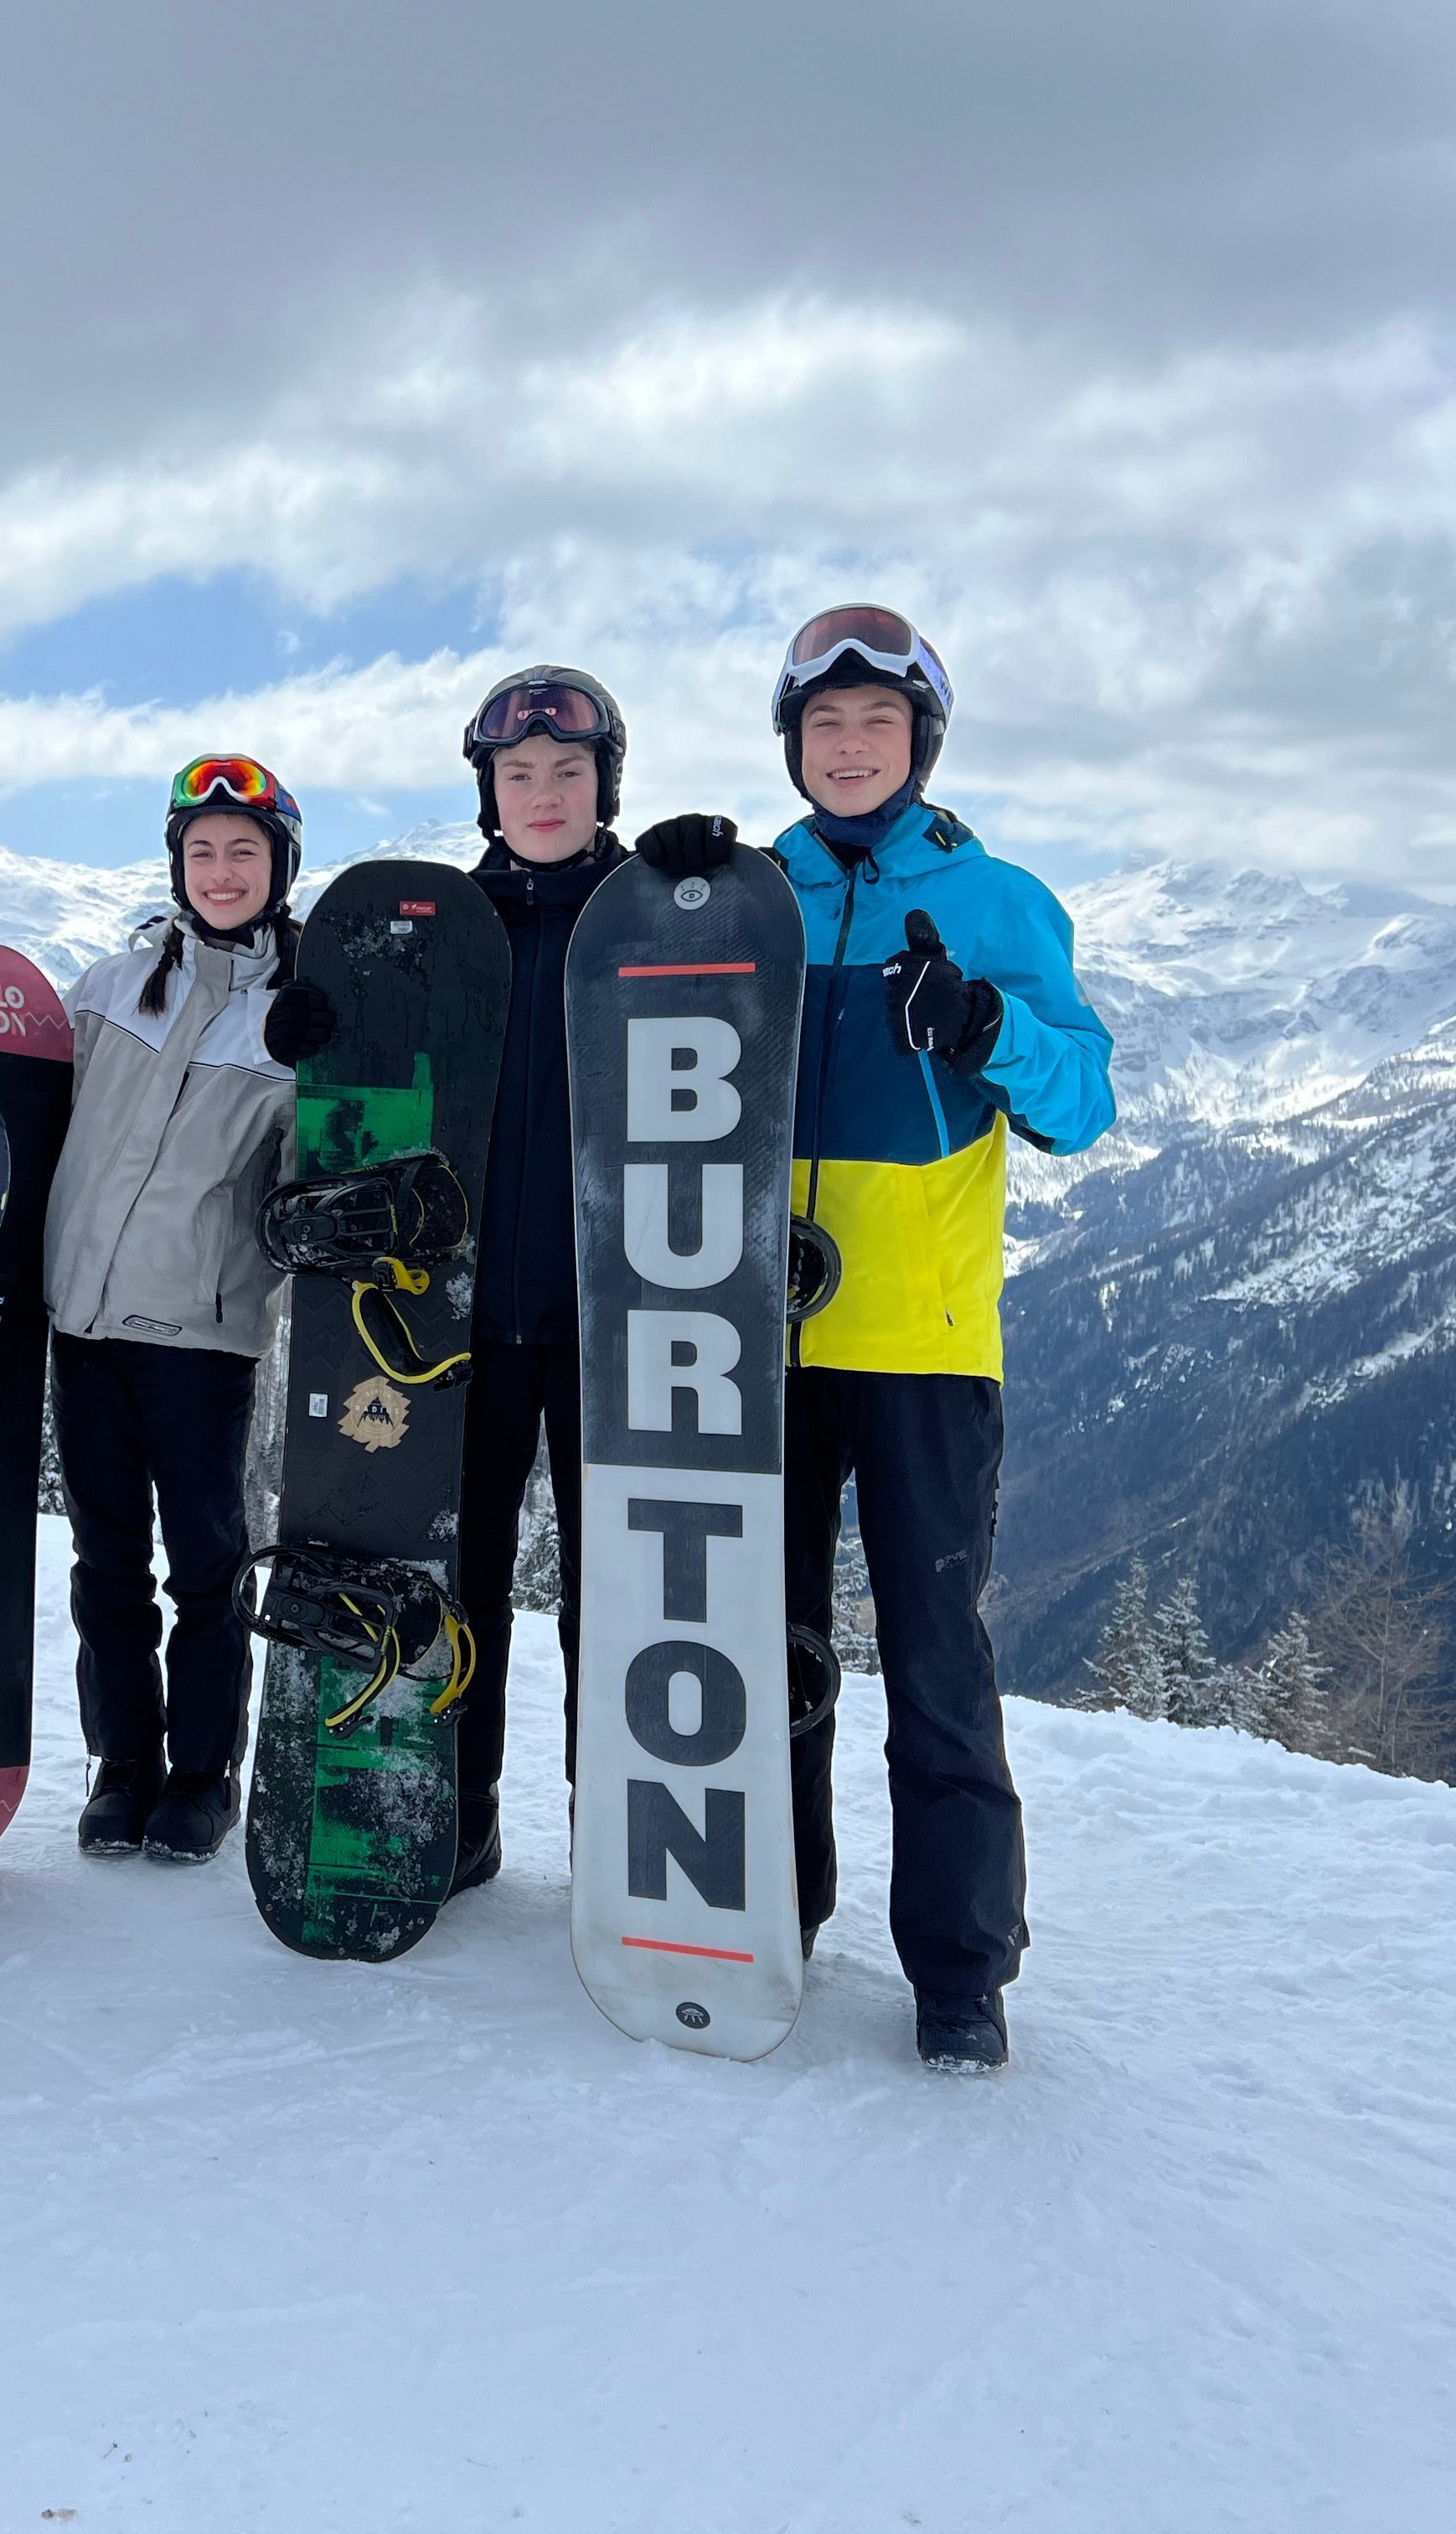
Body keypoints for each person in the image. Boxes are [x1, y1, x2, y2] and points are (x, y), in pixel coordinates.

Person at [634, 607, 1113, 2070]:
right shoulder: (752, 892)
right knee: (753, 1651)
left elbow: (1082, 1105)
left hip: (920, 1344)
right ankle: (768, 1912)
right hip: (748, 1340)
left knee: (932, 1659)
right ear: (793, 746)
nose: (850, 750)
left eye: (878, 728)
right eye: (825, 727)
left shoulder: (996, 901)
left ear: (920, 745)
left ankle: (961, 1971)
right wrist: (662, 897)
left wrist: (979, 1025)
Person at [262, 669, 629, 1896]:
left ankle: (623, 1839)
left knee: (613, 1599)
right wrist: (324, 1029)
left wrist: (709, 889)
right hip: (450, 1323)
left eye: (567, 773)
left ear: (604, 785)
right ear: (487, 791)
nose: (543, 794)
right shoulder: (435, 937)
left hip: (610, 1323)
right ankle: (449, 1818)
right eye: (517, 774)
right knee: (453, 1583)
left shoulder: (648, 926)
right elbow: (360, 1109)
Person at [48, 754, 302, 1864]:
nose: (221, 869)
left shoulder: (297, 1021)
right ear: (176, 865)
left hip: (199, 1338)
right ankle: (124, 1765)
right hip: (82, 1323)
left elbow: (305, 1193)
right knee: (105, 1559)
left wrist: (337, 1061)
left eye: (244, 850)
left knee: (204, 1564)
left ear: (280, 866)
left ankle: (202, 1772)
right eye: (202, 850)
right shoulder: (108, 989)